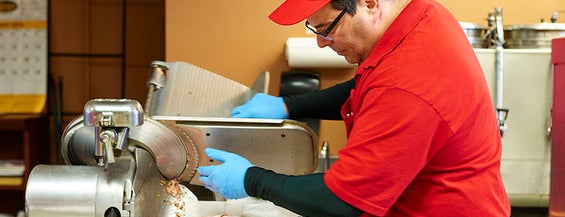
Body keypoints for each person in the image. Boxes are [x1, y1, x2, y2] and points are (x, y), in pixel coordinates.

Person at [197, 0, 511, 216]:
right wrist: (287, 106)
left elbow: (343, 200)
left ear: (370, 3)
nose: (321, 42)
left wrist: (252, 180)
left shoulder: (408, 81)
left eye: (326, 28)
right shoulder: (417, 15)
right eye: (315, 30)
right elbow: (371, 87)